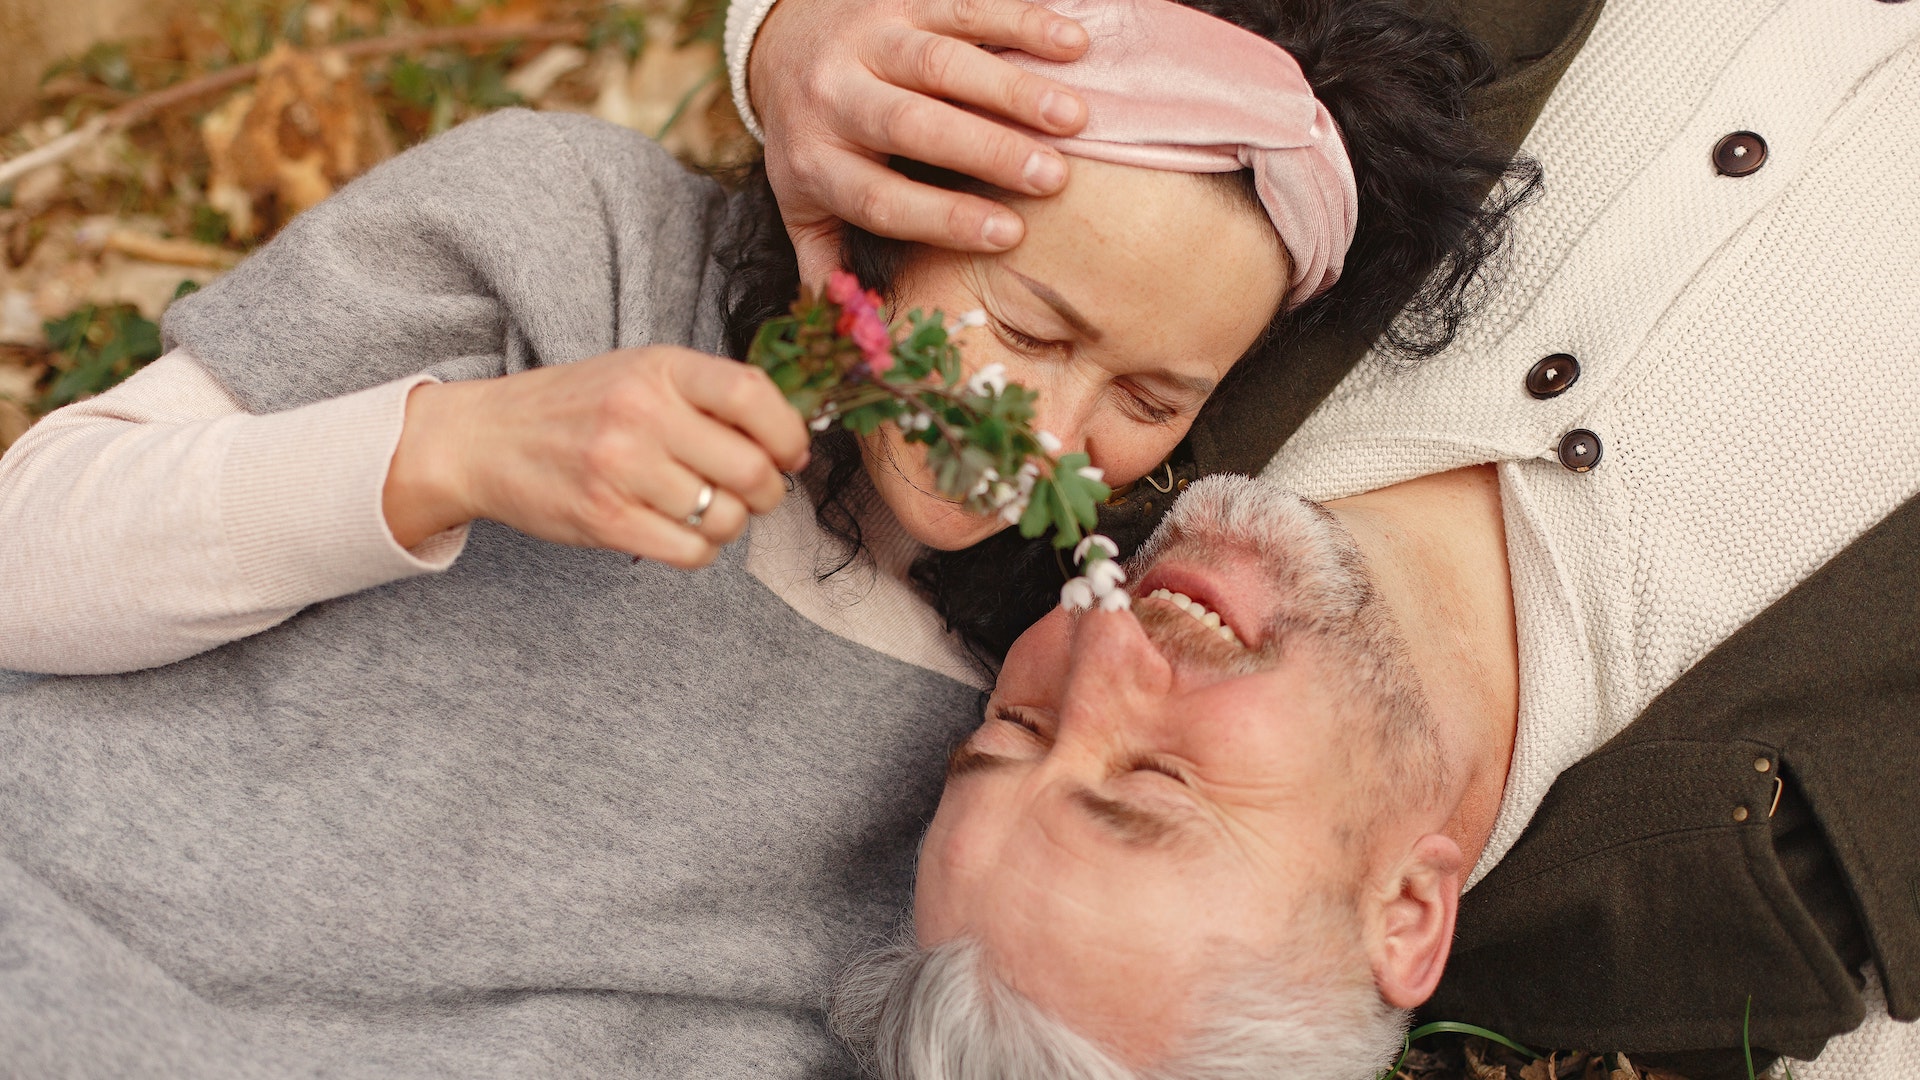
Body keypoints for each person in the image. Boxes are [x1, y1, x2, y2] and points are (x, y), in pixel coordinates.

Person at [0, 0, 1534, 1075]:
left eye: (1144, 396)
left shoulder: (1009, 730)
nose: (1051, 438)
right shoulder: (570, 244)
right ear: (881, 202)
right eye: (1020, 324)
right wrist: (452, 454)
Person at [729, 0, 1920, 1072]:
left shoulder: (1151, 322)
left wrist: (790, 39)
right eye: (1155, 781)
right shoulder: (1789, 906)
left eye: (1013, 728)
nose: (1094, 654)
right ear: (1404, 911)